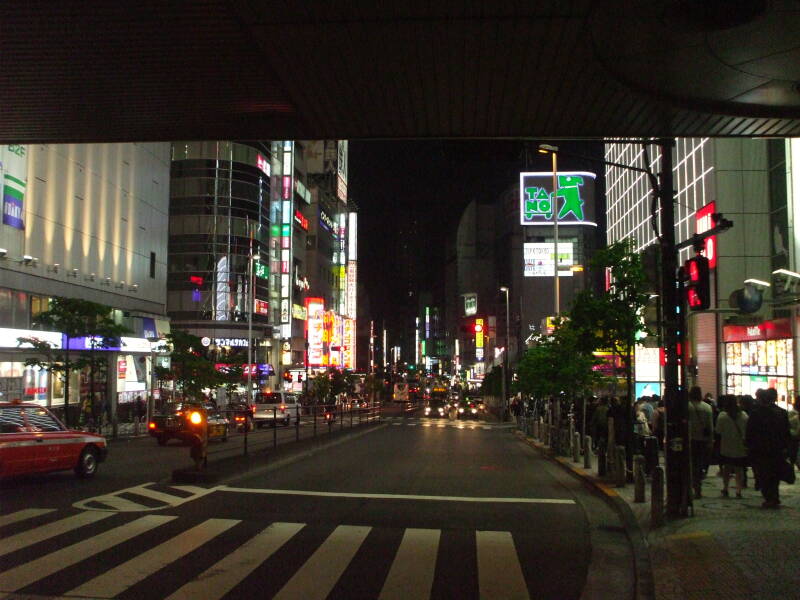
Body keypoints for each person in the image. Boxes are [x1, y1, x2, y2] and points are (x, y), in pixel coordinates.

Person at [746, 388, 791, 508]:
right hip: (777, 449)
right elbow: (786, 432)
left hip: (761, 449)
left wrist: (749, 446)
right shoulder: (782, 412)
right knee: (774, 474)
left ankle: (769, 497)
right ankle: (774, 496)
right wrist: (786, 447)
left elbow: (750, 432)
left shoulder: (756, 413)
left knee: (764, 473)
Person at [715, 395, 748, 498]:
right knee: (739, 469)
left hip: (726, 446)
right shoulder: (744, 416)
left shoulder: (722, 416)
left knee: (727, 469)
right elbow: (747, 432)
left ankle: (725, 488)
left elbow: (718, 431)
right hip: (740, 447)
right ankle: (738, 490)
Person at [687, 386, 714, 498]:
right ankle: (698, 486)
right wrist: (711, 440)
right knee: (700, 463)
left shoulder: (688, 406)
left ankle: (693, 486)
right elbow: (710, 426)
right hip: (703, 439)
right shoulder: (707, 407)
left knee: (691, 464)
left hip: (690, 439)